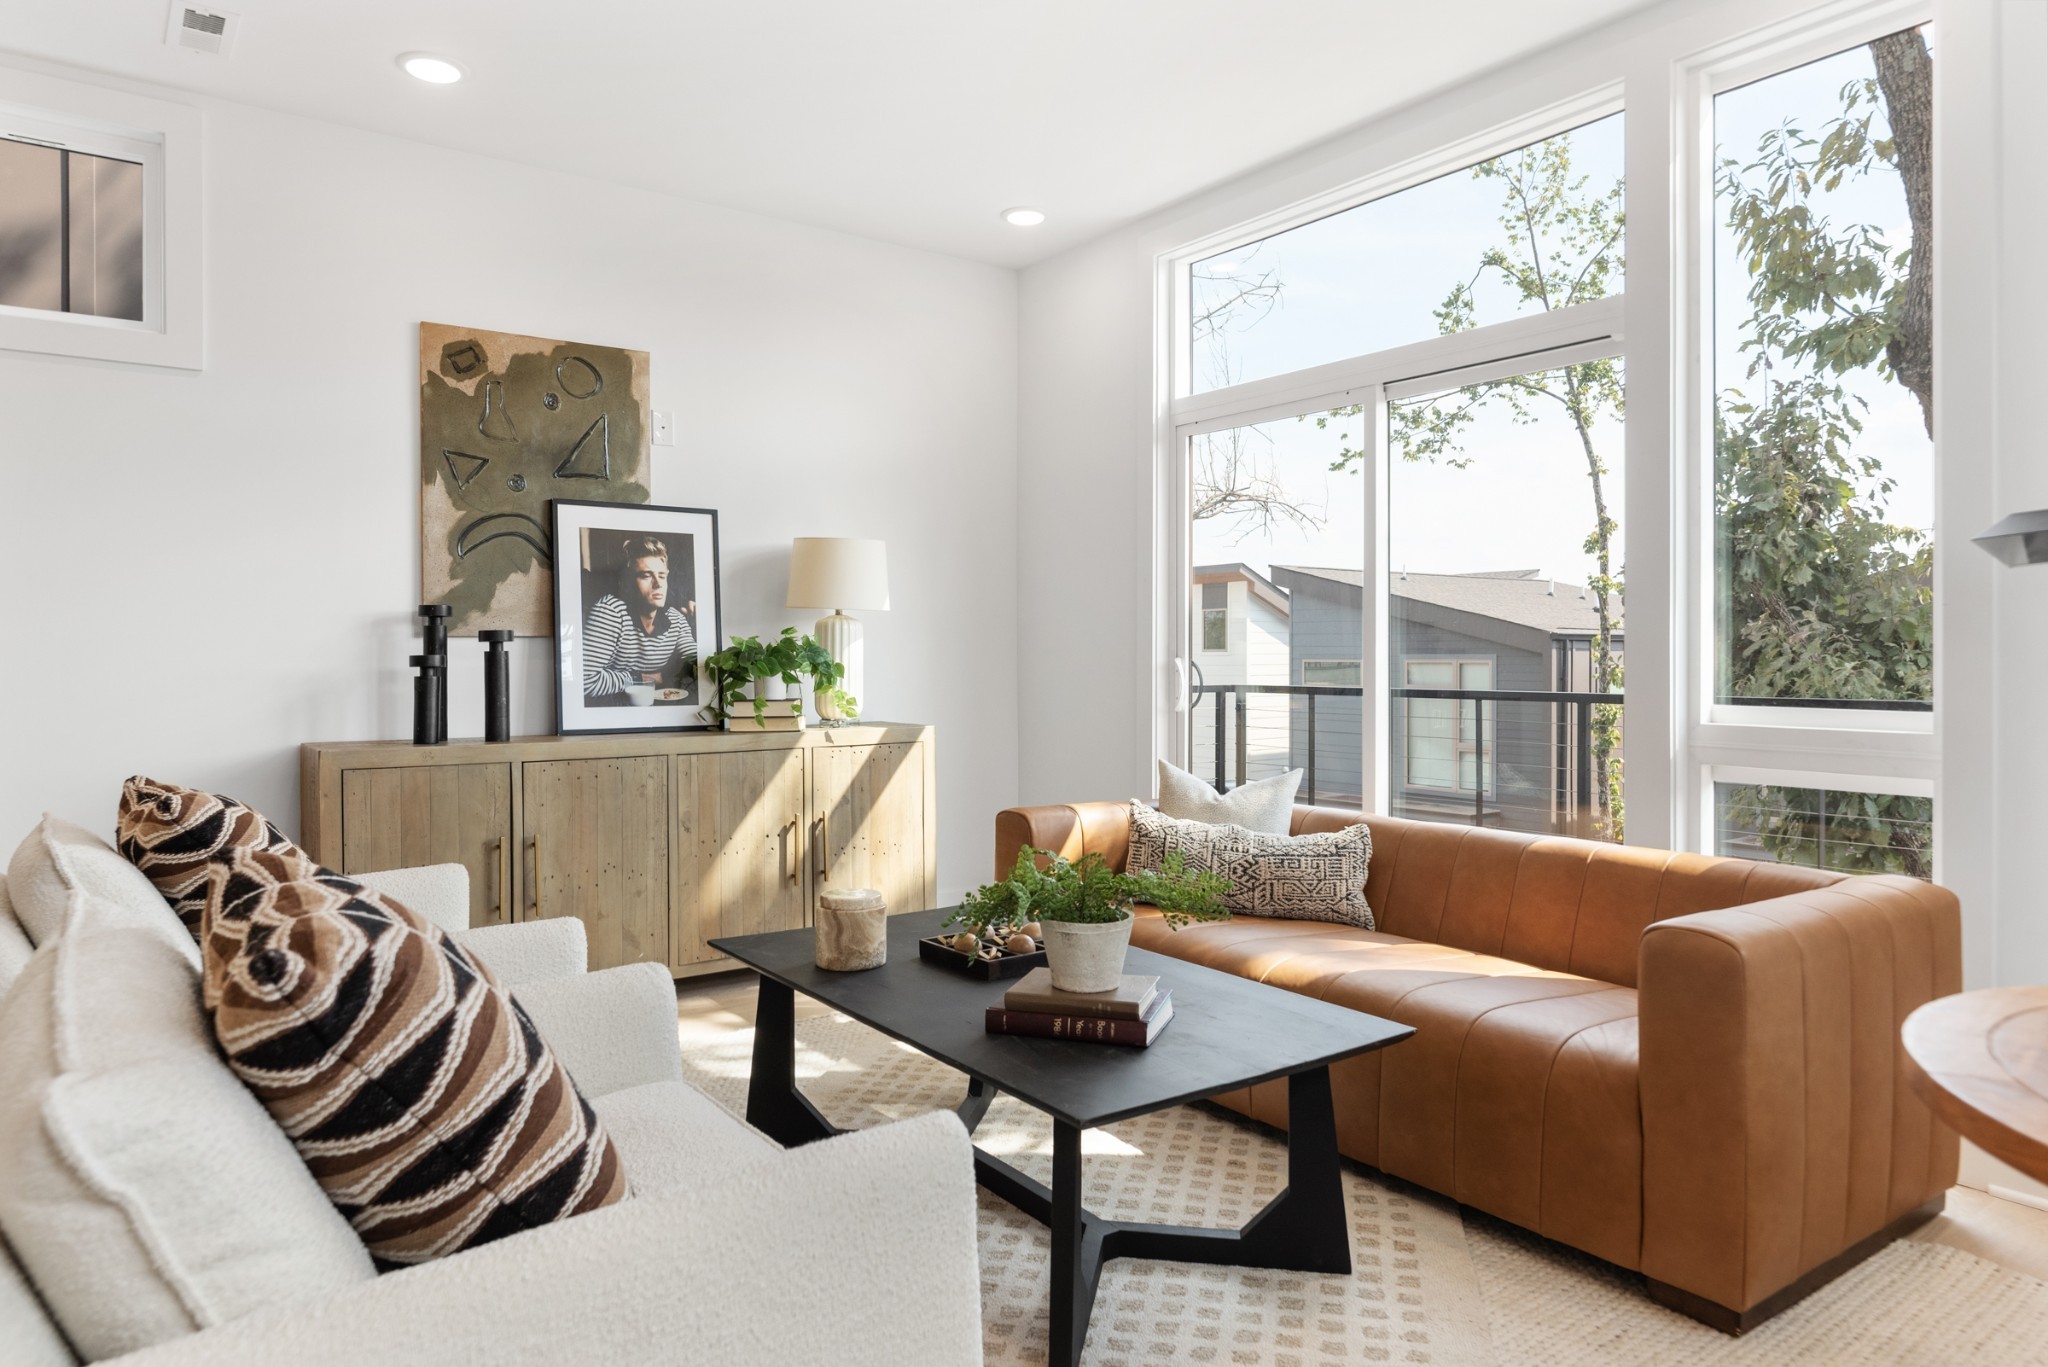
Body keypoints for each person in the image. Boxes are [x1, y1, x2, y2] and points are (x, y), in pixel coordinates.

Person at [582, 536, 696, 701]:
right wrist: (646, 678)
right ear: (627, 582)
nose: (658, 584)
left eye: (662, 575)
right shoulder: (610, 612)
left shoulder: (675, 618)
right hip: (612, 714)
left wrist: (701, 626)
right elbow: (585, 680)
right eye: (646, 575)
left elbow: (698, 665)